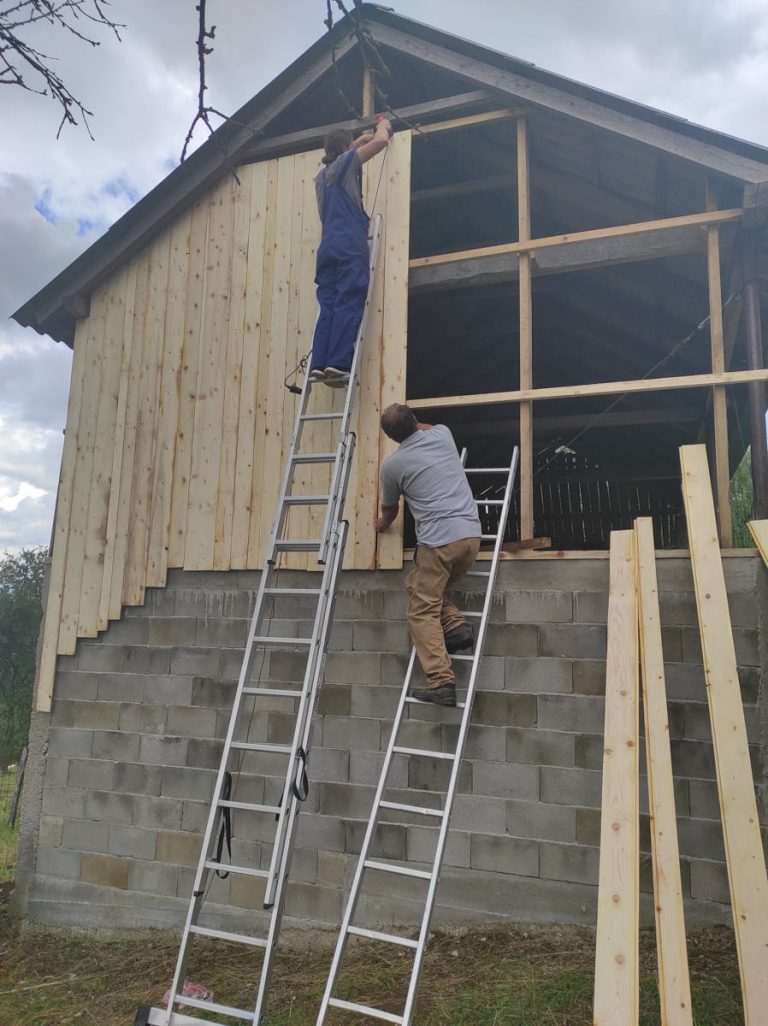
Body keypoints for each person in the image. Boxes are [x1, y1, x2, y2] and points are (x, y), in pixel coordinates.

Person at [375, 404, 481, 707]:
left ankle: (441, 682)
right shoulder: (443, 435)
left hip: (438, 545)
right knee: (417, 585)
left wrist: (381, 526)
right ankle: (455, 626)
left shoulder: (392, 466)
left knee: (421, 611)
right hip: (470, 538)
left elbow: (390, 510)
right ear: (416, 421)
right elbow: (427, 426)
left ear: (390, 436)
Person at [308, 117, 392, 388]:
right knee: (350, 297)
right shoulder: (346, 164)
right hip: (349, 244)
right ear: (345, 148)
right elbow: (380, 142)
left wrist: (357, 141)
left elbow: (346, 152)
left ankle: (320, 364)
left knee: (329, 305)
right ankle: (340, 362)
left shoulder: (321, 177)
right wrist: (383, 127)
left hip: (328, 248)